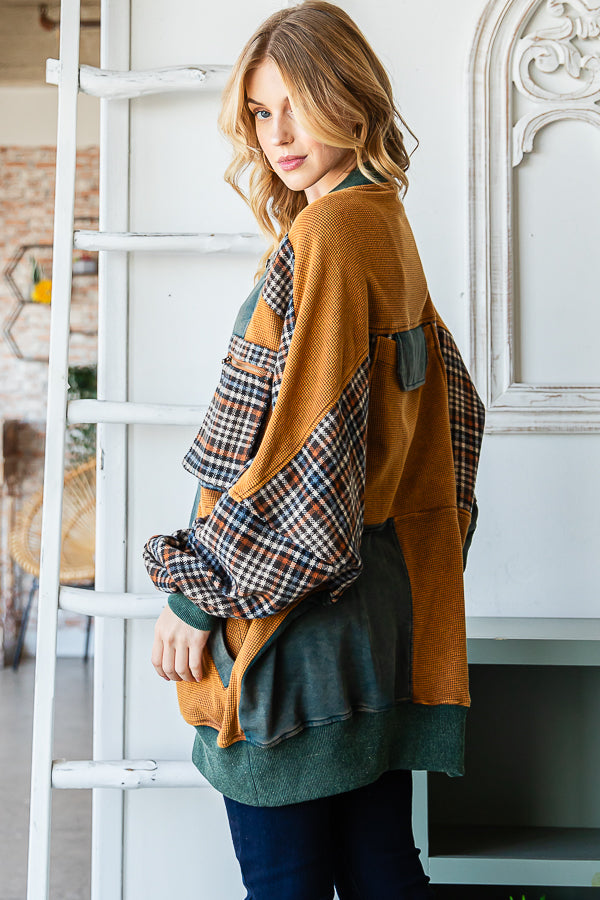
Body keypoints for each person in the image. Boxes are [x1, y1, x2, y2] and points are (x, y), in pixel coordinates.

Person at [142, 2, 485, 897]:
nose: (279, 134)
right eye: (262, 111)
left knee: (286, 883)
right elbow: (451, 416)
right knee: (381, 870)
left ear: (354, 98)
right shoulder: (381, 219)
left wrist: (197, 594)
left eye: (300, 103)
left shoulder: (328, 232)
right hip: (374, 617)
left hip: (294, 631)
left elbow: (305, 451)